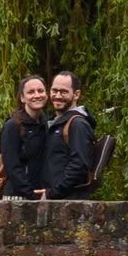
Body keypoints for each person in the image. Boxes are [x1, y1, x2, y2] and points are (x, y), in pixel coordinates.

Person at [0, 73, 51, 200]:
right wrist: (31, 193)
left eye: (40, 91)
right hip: (17, 196)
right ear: (22, 98)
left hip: (40, 194)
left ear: (47, 95)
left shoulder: (46, 124)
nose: (37, 95)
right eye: (31, 92)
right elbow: (12, 166)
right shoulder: (12, 126)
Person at [43, 70, 98, 200]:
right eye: (54, 91)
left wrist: (54, 192)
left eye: (63, 92)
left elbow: (79, 165)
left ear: (76, 94)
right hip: (55, 200)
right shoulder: (52, 123)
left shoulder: (78, 125)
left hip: (69, 201)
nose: (57, 95)